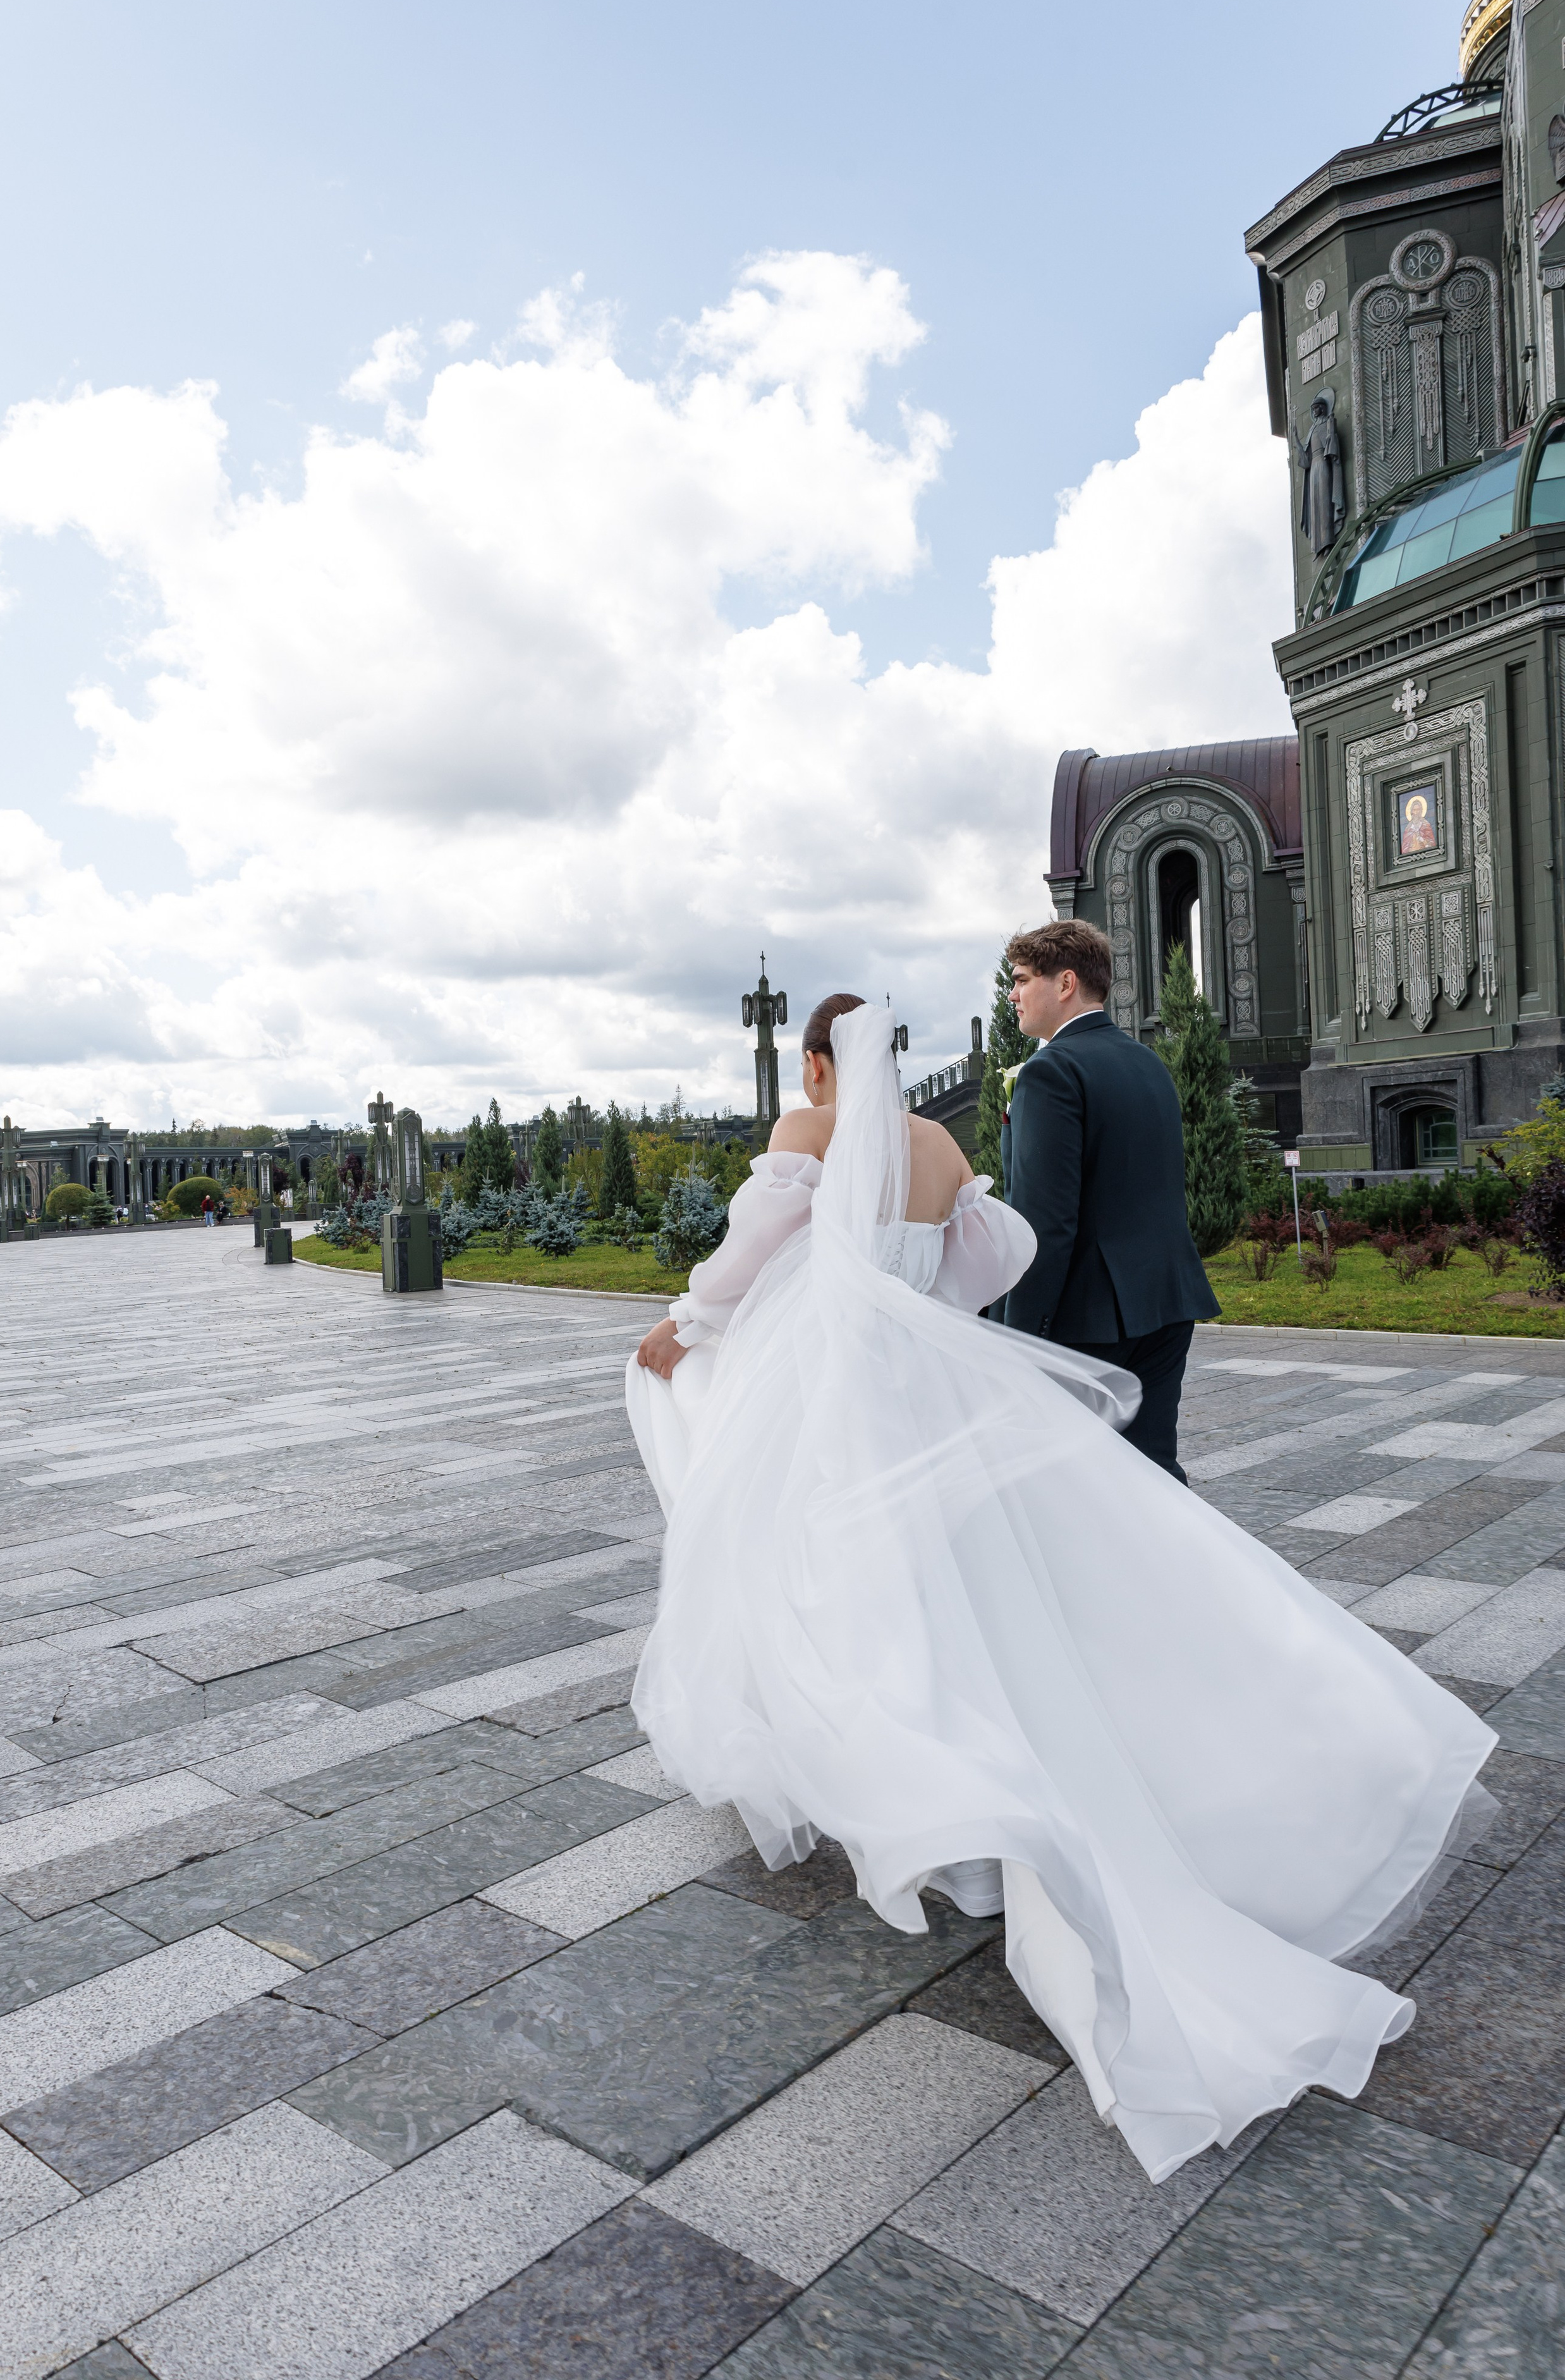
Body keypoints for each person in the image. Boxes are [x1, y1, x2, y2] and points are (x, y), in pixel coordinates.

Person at [627, 993, 1493, 2184]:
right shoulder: (937, 1146)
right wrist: (917, 1297)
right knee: (965, 1582)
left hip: (826, 1389)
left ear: (821, 1060)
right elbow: (1001, 1252)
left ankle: (926, 1787)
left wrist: (689, 1319)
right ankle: (980, 1786)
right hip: (920, 1384)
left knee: (826, 1575)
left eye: (817, 1064)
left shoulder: (801, 1131)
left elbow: (743, 1257)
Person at [999, 919, 1217, 1483]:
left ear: (1065, 982)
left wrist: (1019, 1336)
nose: (1013, 994)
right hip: (1166, 1301)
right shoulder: (1148, 1064)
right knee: (1152, 1473)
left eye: (1022, 980)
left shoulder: (1052, 1071)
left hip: (1088, 1317)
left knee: (1075, 1487)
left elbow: (1045, 1222)